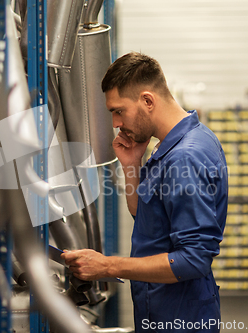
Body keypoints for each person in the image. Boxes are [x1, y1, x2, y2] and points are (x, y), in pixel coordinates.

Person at [61, 52, 228, 332]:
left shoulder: (185, 157)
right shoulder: (170, 145)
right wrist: (131, 165)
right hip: (164, 311)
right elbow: (146, 214)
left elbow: (194, 259)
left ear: (148, 101)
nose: (115, 123)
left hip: (181, 319)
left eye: (118, 111)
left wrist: (108, 267)